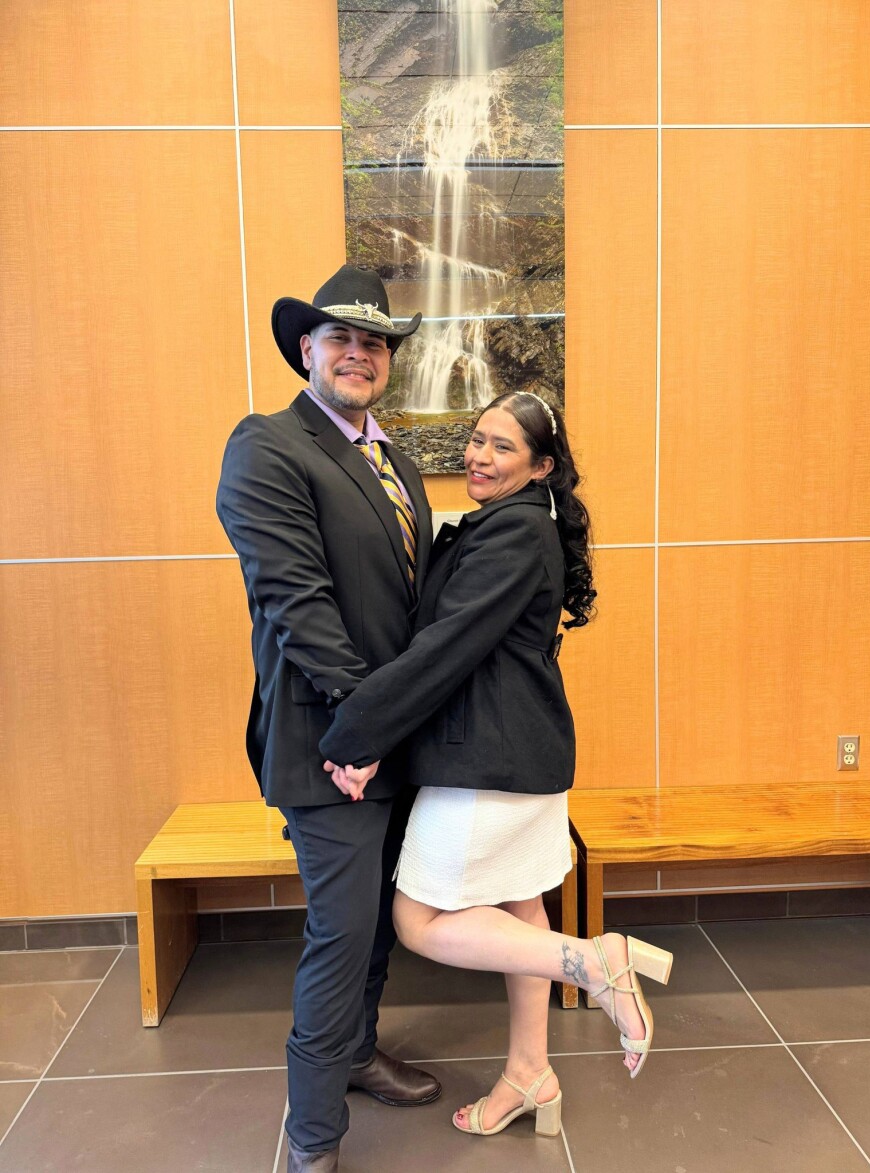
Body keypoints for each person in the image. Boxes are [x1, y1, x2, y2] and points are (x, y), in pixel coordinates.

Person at [319, 390, 674, 1138]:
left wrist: (356, 734)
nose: (479, 456)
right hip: (520, 754)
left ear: (541, 466)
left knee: (418, 920)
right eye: (478, 438)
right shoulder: (518, 522)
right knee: (520, 907)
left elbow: (445, 650)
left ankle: (595, 962)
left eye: (502, 446)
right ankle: (529, 1072)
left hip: (488, 759)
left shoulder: (513, 533)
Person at [216, 265, 441, 1173]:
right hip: (329, 743)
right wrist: (361, 726)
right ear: (306, 347)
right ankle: (312, 1136)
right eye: (341, 337)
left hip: (393, 741)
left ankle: (356, 1052)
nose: (360, 353)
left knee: (380, 920)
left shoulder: (398, 463)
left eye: (375, 341)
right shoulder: (267, 445)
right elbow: (295, 600)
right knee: (341, 935)